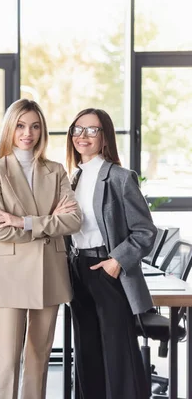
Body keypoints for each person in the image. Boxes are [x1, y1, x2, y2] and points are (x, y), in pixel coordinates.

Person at [0, 99, 81, 399]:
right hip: (9, 272)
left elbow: (73, 220)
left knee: (39, 358)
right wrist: (49, 223)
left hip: (48, 271)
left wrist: (23, 222)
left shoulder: (56, 170)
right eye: (21, 126)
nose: (28, 133)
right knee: (8, 360)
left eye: (35, 126)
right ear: (10, 128)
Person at [65, 108, 156, 399]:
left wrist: (116, 261)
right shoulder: (72, 179)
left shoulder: (119, 177)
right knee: (87, 350)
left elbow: (145, 231)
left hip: (107, 269)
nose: (83, 136)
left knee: (118, 354)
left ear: (105, 137)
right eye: (78, 129)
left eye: (92, 130)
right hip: (77, 270)